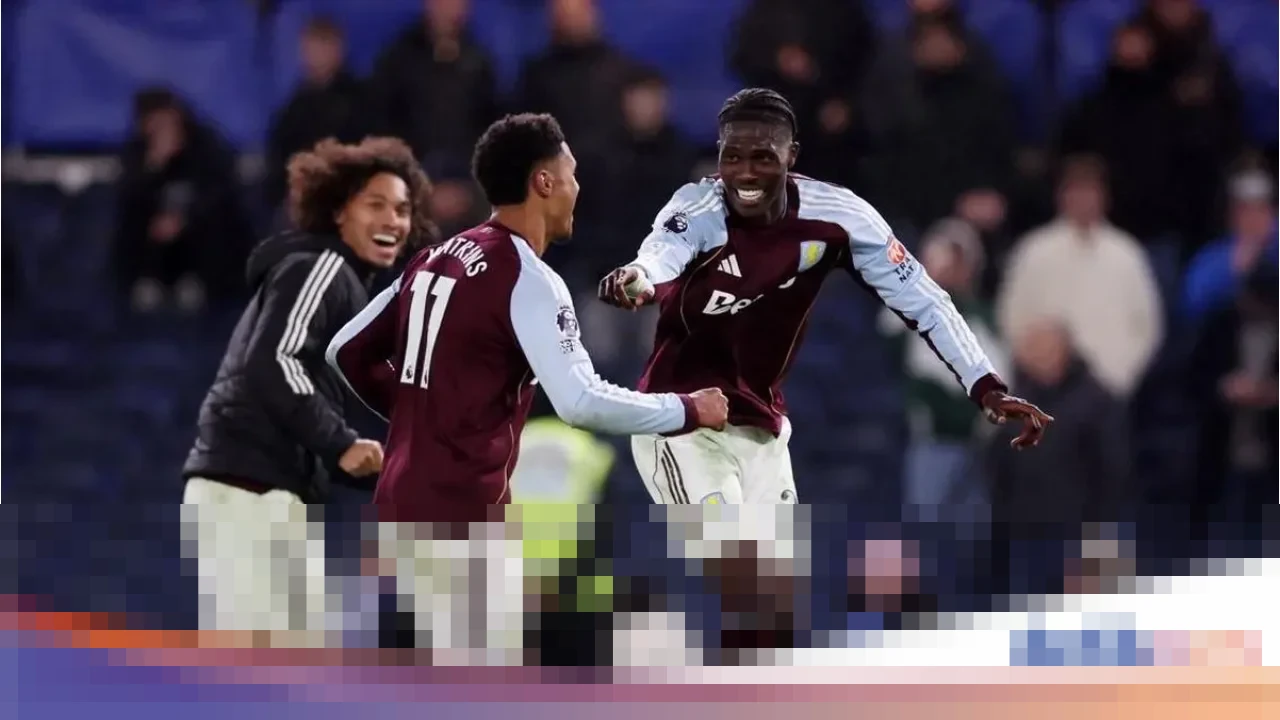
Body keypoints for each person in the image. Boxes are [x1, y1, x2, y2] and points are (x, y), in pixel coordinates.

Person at [325, 113, 726, 659]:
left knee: (440, 678)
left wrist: (417, 418)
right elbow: (581, 401)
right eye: (572, 172)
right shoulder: (526, 278)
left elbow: (345, 351)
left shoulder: (434, 257)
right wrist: (686, 410)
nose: (577, 187)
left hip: (402, 501)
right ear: (544, 182)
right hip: (461, 512)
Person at [597, 88, 1051, 505]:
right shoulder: (697, 207)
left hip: (760, 430)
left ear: (791, 156)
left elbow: (925, 301)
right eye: (731, 157)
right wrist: (638, 278)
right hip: (680, 420)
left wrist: (985, 384)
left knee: (771, 590)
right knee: (732, 565)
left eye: (762, 157)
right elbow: (661, 254)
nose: (745, 173)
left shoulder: (838, 217)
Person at [181, 137, 436, 645]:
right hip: (249, 494)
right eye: (376, 204)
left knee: (293, 676)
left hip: (267, 495)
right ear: (339, 211)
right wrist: (341, 444)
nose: (393, 220)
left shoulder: (347, 289)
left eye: (404, 210)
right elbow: (273, 361)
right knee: (263, 679)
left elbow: (312, 414)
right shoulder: (323, 266)